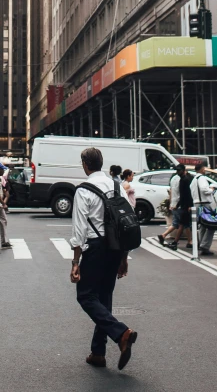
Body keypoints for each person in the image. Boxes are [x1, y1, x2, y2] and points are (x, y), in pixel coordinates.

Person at [70, 147, 137, 371]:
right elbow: (126, 223)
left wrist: (75, 262)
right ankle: (98, 353)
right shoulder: (117, 186)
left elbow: (79, 230)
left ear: (85, 165)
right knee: (104, 297)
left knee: (86, 296)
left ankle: (121, 333)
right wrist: (124, 257)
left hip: (95, 247)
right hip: (116, 247)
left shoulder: (83, 190)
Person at [191, 162, 217, 256]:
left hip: (197, 204)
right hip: (205, 204)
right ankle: (205, 246)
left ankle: (202, 245)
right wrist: (212, 189)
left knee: (203, 225)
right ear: (202, 169)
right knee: (211, 225)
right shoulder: (202, 178)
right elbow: (204, 189)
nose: (205, 170)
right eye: (204, 168)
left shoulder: (194, 179)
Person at [166, 165, 193, 251]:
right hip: (183, 205)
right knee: (184, 225)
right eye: (177, 170)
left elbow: (187, 194)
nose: (178, 172)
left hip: (186, 206)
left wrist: (189, 205)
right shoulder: (182, 179)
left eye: (179, 170)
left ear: (184, 170)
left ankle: (176, 243)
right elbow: (182, 195)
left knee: (183, 225)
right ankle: (188, 242)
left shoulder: (186, 180)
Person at [158, 166, 182, 245]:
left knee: (176, 223)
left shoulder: (173, 179)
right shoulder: (181, 179)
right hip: (179, 204)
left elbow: (171, 191)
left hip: (174, 203)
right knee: (181, 223)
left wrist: (170, 202)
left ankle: (164, 235)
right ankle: (177, 241)